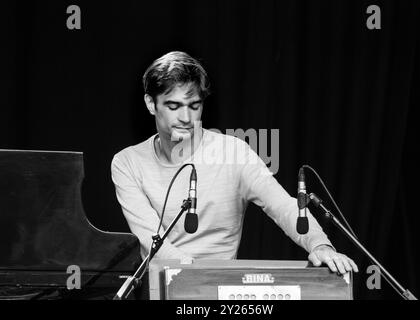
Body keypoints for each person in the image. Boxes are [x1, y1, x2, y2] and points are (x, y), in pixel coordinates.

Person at [111, 51, 358, 275]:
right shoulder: (127, 163)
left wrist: (320, 244)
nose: (186, 118)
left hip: (219, 286)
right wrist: (196, 278)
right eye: (174, 106)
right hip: (164, 286)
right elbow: (152, 240)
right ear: (150, 104)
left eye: (194, 106)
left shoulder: (234, 152)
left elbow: (282, 205)